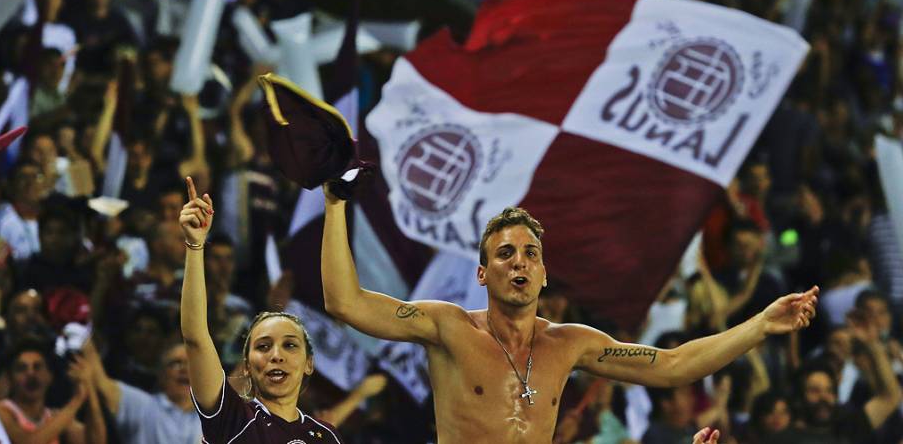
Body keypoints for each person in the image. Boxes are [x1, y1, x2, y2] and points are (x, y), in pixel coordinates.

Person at [321, 194, 819, 443]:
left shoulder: (572, 343)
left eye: (530, 253)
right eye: (505, 253)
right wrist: (336, 200)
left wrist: (760, 325)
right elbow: (345, 302)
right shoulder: (448, 326)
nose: (519, 261)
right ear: (481, 274)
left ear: (543, 274)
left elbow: (673, 366)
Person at [179, 177, 343, 443]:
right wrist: (195, 245)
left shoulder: (326, 436)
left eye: (290, 345)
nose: (276, 355)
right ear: (245, 366)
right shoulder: (232, 418)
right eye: (263, 346)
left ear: (309, 363)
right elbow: (196, 338)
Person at [0, 339, 107, 444]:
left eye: (37, 367)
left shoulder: (56, 417)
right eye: (22, 368)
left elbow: (97, 442)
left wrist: (89, 387)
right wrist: (77, 400)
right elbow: (28, 442)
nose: (31, 374)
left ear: (50, 376)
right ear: (11, 378)